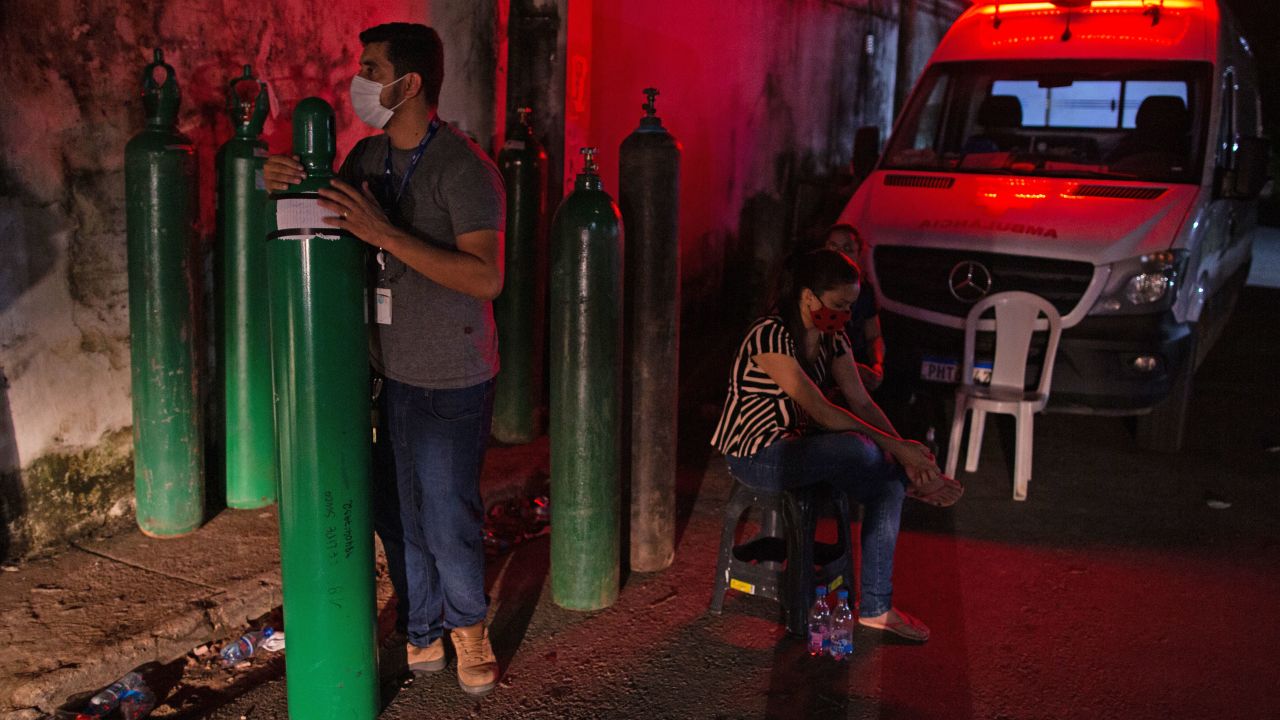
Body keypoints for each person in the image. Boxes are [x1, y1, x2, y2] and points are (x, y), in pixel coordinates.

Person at [264, 23, 505, 695]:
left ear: (410, 83)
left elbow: (487, 277)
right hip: (386, 374)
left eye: (370, 67)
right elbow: (320, 213)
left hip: (450, 377)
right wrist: (280, 177)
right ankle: (422, 626)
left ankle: (468, 627)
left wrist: (384, 234)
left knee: (447, 512)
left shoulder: (466, 169)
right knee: (395, 511)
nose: (358, 79)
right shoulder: (368, 158)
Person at [710, 248, 961, 643]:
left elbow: (862, 402)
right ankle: (905, 478)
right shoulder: (769, 335)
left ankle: (877, 608)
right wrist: (897, 451)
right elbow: (824, 411)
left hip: (804, 450)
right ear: (809, 296)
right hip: (758, 456)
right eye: (840, 305)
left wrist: (904, 454)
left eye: (850, 307)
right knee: (858, 448)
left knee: (887, 482)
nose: (846, 315)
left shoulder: (834, 338)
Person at [824, 223, 884, 391]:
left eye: (847, 249)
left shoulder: (864, 291)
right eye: (833, 247)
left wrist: (877, 364)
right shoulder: (815, 289)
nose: (839, 255)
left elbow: (874, 336)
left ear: (858, 254)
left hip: (855, 370)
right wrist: (853, 369)